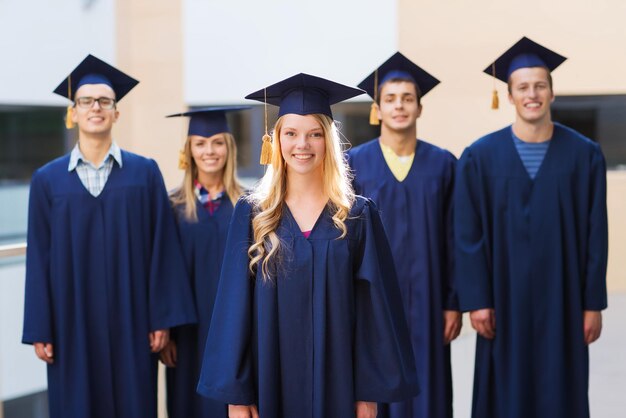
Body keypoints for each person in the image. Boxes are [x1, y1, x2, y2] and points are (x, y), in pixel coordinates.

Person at [196, 73, 419, 418]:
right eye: (291, 134)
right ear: (275, 141)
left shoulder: (358, 215)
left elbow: (374, 313)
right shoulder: (253, 214)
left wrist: (368, 395)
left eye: (315, 134)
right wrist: (238, 397)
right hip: (270, 379)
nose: (303, 145)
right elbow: (233, 308)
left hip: (340, 384)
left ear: (328, 142)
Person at [22, 54, 196, 418]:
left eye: (105, 101)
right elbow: (38, 256)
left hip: (132, 318)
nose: (95, 108)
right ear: (74, 112)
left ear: (117, 112)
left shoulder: (144, 173)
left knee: (134, 402)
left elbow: (161, 247)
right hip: (72, 321)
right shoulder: (47, 180)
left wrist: (161, 317)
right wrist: (41, 326)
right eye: (86, 101)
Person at [454, 37, 608, 418]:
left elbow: (596, 234)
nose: (532, 94)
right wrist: (477, 299)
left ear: (552, 92)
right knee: (505, 392)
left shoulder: (584, 155)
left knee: (562, 388)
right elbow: (467, 234)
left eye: (540, 85)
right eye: (523, 87)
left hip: (565, 297)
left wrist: (592, 303)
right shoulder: (479, 157)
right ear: (509, 96)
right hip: (503, 299)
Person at [347, 52, 461, 418]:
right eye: (391, 99)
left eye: (407, 98)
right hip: (372, 301)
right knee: (376, 387)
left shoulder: (443, 163)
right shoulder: (354, 164)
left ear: (419, 107)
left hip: (430, 301)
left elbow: (455, 238)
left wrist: (453, 301)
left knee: (430, 390)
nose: (399, 106)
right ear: (377, 109)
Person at [160, 106, 249, 418]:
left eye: (217, 142)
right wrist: (168, 331)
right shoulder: (171, 206)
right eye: (200, 143)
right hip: (189, 331)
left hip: (236, 327)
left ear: (229, 147)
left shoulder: (249, 205)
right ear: (189, 151)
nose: (209, 151)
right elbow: (164, 271)